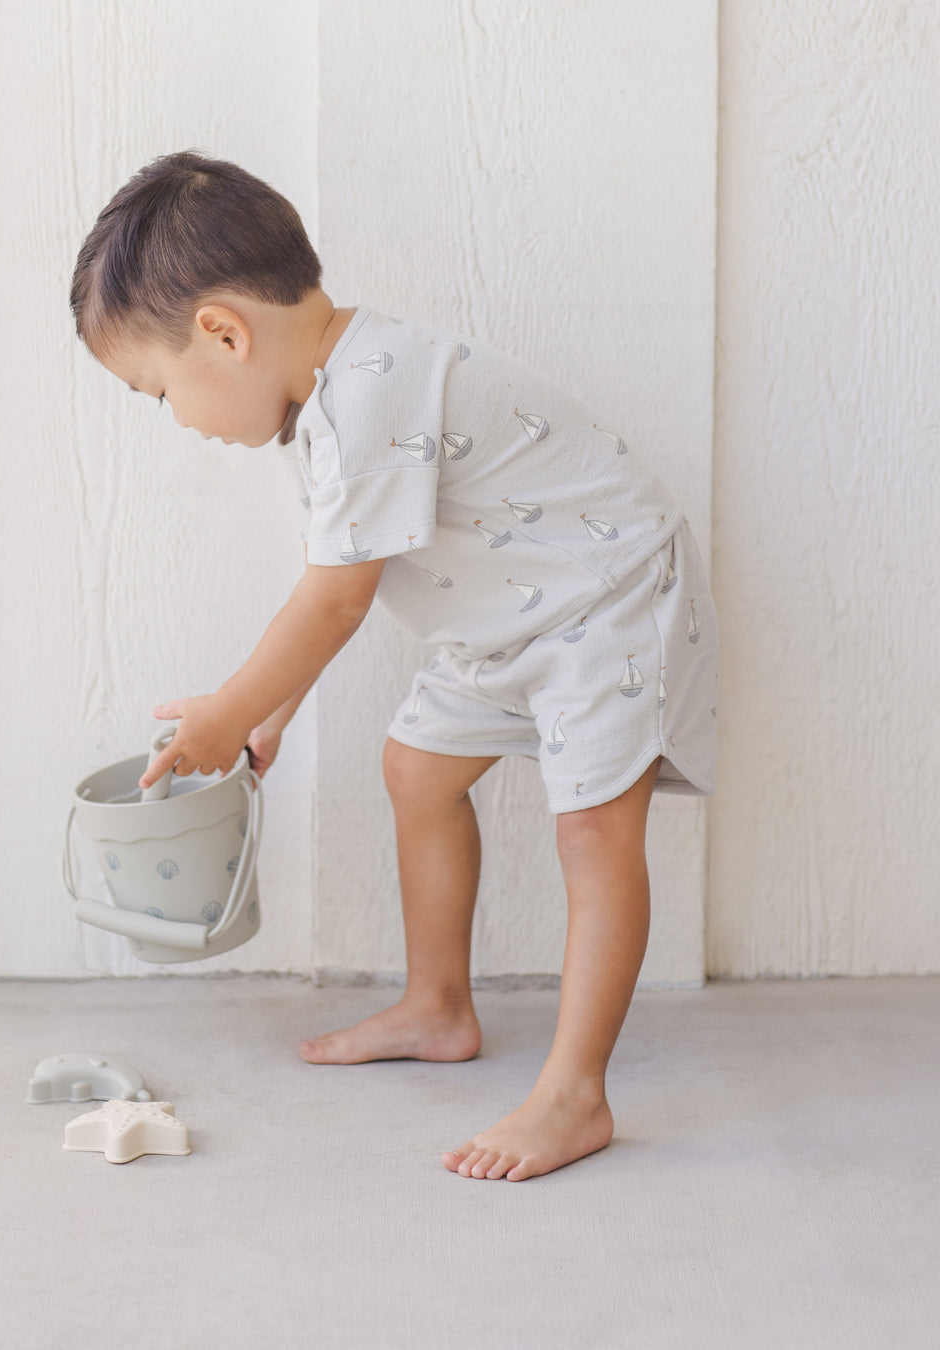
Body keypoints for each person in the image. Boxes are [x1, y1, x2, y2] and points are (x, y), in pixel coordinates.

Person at [70, 151, 717, 1182]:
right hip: (507, 622)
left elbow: (335, 599)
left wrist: (228, 709)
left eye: (159, 393)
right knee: (419, 768)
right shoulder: (325, 409)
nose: (178, 420)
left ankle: (575, 1094)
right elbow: (341, 582)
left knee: (595, 825)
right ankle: (438, 1006)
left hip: (605, 600)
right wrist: (268, 716)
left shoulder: (368, 393)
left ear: (223, 336)